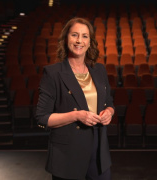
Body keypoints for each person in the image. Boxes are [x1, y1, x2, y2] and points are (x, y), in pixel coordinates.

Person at [35, 17, 115, 180]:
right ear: (66, 38)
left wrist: (109, 112)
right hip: (68, 155)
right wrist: (77, 115)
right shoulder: (52, 73)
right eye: (74, 35)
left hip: (99, 152)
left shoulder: (99, 70)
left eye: (85, 36)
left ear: (90, 41)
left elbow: (110, 103)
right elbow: (42, 117)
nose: (79, 40)